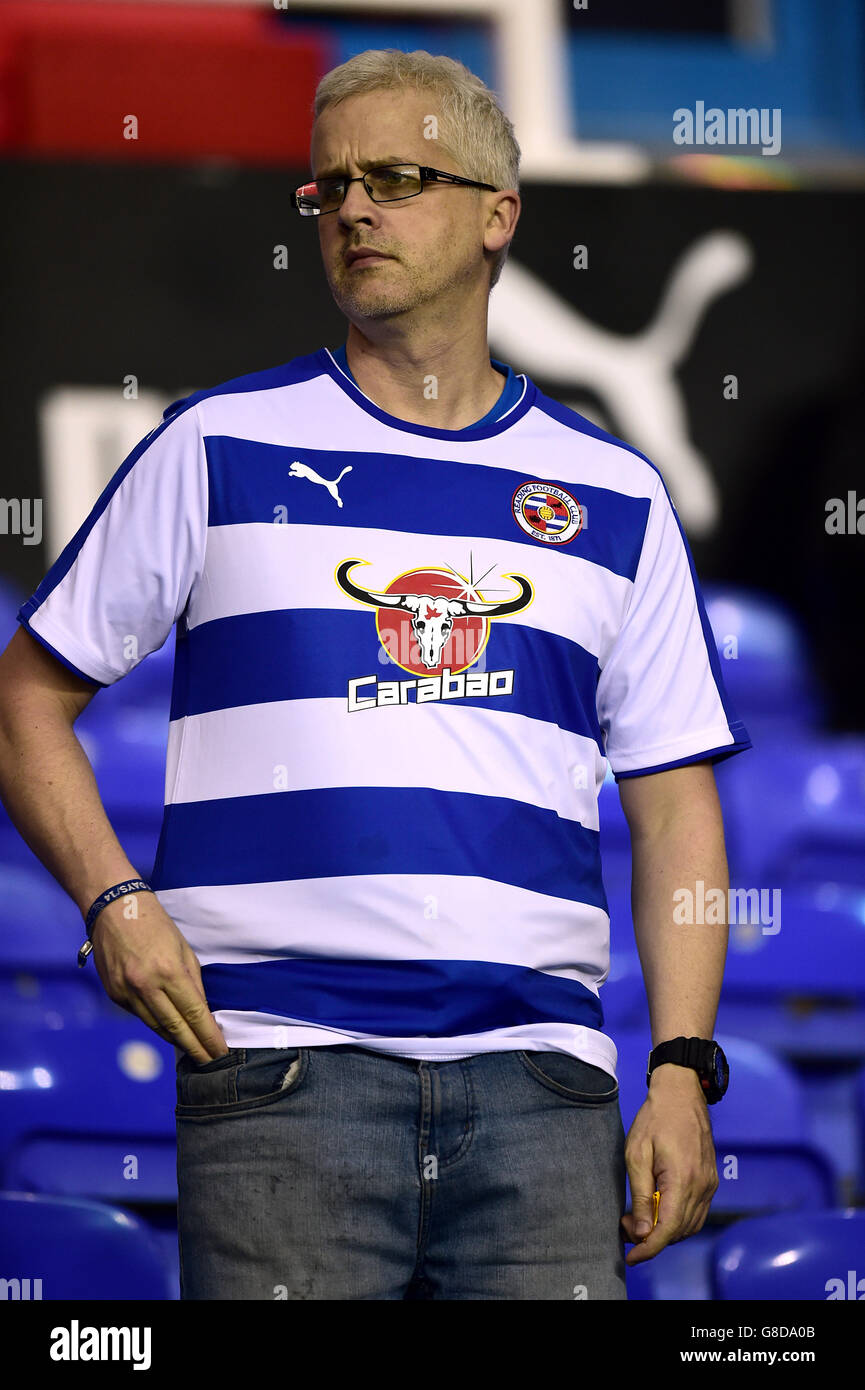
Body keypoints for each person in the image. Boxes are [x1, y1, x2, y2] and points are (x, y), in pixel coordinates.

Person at [0, 49, 750, 1300]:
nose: (352, 208)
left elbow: (675, 802)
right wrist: (112, 901)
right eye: (328, 186)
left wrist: (679, 1062)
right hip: (277, 1074)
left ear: (498, 213)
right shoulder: (217, 445)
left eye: (396, 177)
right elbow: (27, 698)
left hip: (544, 1087)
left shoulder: (616, 493)